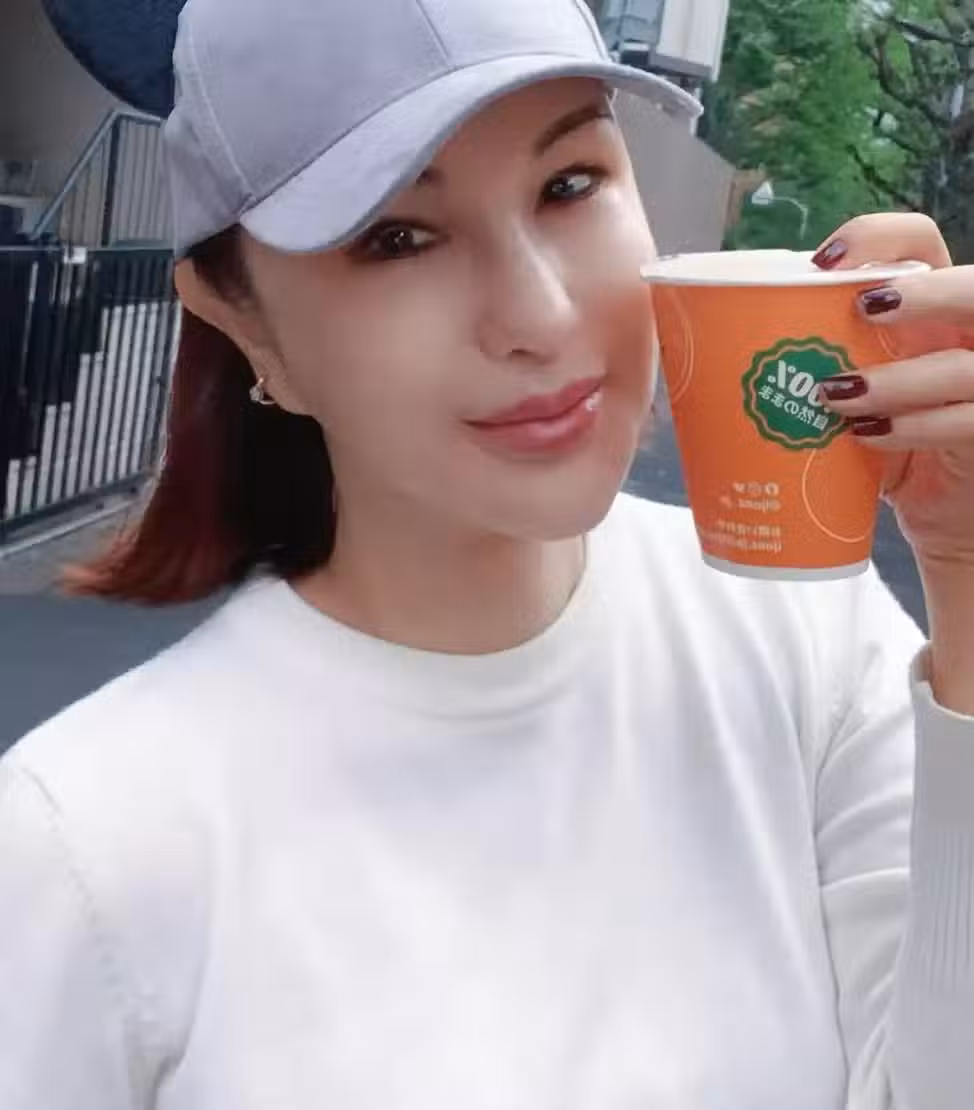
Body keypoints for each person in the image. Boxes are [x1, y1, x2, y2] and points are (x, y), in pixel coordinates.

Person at [2, 0, 974, 1107]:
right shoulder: (88, 845)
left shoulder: (807, 632)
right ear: (244, 323)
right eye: (396, 238)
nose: (540, 316)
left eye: (569, 184)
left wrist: (961, 573)